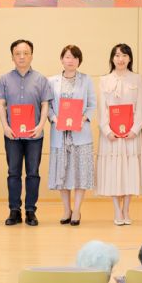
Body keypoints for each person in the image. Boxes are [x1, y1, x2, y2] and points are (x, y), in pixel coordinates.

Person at [0, 39, 53, 226]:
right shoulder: (5, 79)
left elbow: (45, 105)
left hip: (34, 135)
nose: (21, 57)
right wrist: (5, 127)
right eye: (17, 53)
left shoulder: (41, 79)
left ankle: (30, 211)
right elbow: (1, 104)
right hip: (12, 135)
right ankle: (14, 210)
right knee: (13, 173)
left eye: (25, 53)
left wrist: (40, 126)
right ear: (12, 56)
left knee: (33, 173)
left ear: (31, 55)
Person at [97, 43, 142, 225]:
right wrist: (107, 130)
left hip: (131, 135)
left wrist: (135, 129)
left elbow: (141, 107)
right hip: (110, 136)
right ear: (112, 58)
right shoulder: (104, 80)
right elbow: (102, 109)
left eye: (124, 55)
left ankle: (126, 208)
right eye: (117, 55)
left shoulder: (137, 79)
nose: (121, 59)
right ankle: (117, 210)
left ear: (130, 58)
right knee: (113, 170)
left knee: (130, 171)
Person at [48, 45, 97, 226]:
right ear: (62, 59)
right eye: (67, 57)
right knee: (62, 172)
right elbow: (48, 106)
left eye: (74, 57)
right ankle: (66, 209)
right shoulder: (51, 81)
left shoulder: (86, 80)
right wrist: (55, 119)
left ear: (79, 61)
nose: (71, 60)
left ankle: (77, 210)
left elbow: (92, 104)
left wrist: (82, 119)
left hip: (80, 133)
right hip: (60, 134)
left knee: (80, 172)